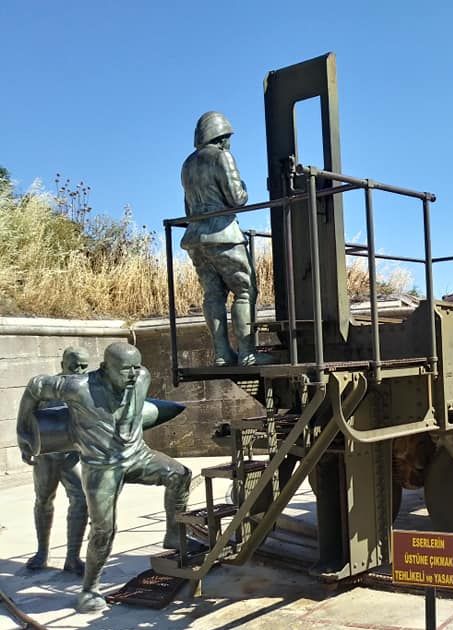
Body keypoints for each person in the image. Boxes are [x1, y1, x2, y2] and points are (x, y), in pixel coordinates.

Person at [16, 342, 193, 612]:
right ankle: (89, 589)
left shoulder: (143, 378)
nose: (133, 374)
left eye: (136, 367)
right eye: (125, 369)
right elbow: (35, 386)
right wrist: (22, 432)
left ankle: (173, 534)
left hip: (137, 455)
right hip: (101, 467)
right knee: (104, 530)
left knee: (180, 475)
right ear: (104, 368)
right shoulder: (78, 387)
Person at [181, 111, 255, 366]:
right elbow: (237, 198)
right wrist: (244, 186)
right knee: (244, 291)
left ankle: (222, 354)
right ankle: (247, 353)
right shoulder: (222, 156)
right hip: (222, 235)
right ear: (220, 137)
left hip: (194, 238)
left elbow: (188, 207)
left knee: (213, 296)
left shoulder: (187, 164)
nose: (230, 142)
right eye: (228, 137)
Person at [20, 347, 90, 575]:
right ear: (62, 364)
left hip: (72, 456)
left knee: (81, 499)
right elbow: (25, 416)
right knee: (43, 499)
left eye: (83, 366)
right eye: (74, 365)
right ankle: (42, 551)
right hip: (46, 456)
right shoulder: (45, 386)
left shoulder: (88, 389)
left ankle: (72, 557)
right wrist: (24, 443)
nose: (78, 370)